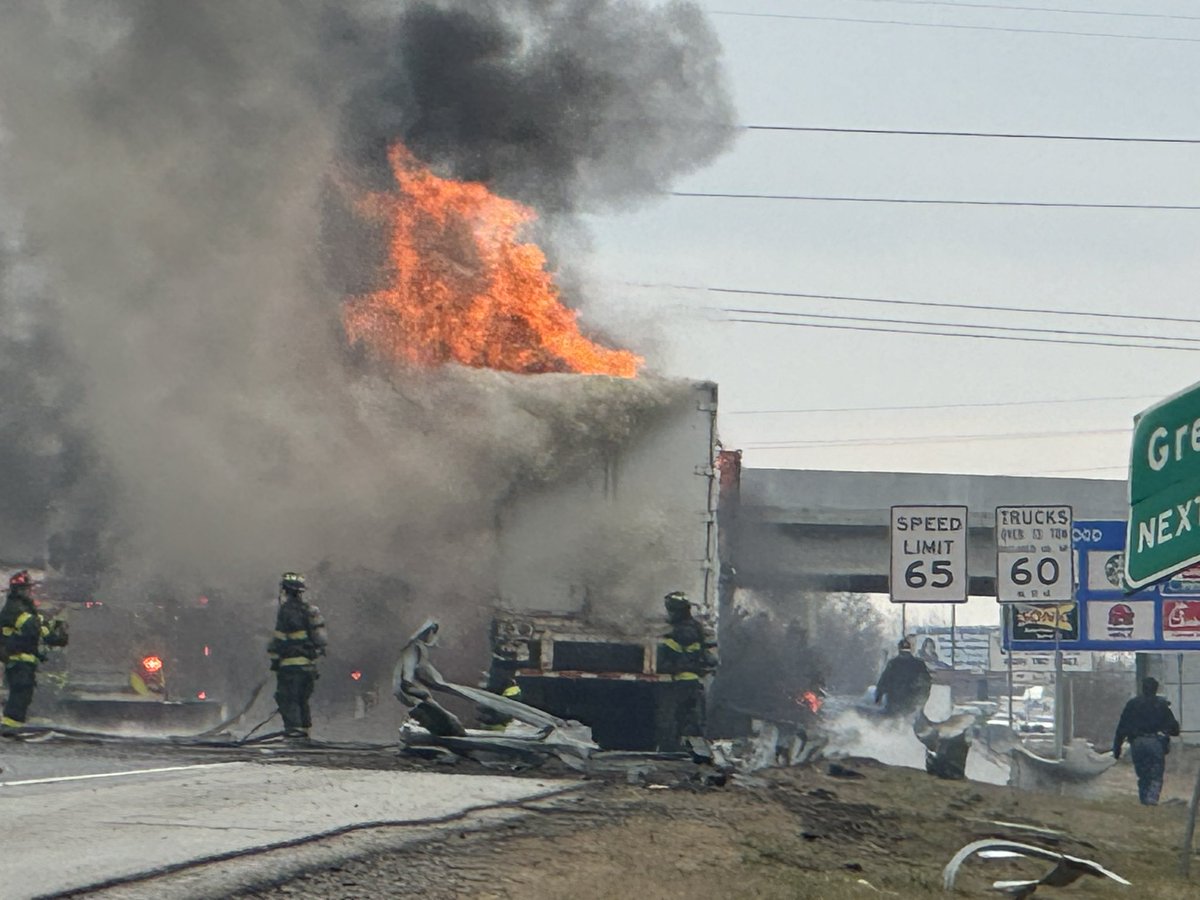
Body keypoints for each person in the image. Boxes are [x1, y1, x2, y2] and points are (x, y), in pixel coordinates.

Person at [1, 570, 68, 732]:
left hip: (23, 659)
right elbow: (32, 628)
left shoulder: (24, 608)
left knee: (23, 693)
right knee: (21, 692)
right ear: (18, 590)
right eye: (26, 589)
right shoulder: (14, 608)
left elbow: (42, 630)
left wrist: (55, 628)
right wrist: (49, 625)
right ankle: (9, 727)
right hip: (18, 658)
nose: (29, 592)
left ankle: (13, 724)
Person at [266, 572, 327, 740]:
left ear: (285, 590)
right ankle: (304, 732)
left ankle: (294, 733)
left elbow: (279, 639)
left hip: (291, 666)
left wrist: (274, 659)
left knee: (287, 697)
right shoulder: (309, 610)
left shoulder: (286, 611)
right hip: (309, 666)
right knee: (302, 699)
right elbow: (319, 641)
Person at [656, 590, 717, 751]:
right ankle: (693, 750)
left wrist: (665, 664)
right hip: (694, 681)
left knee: (676, 717)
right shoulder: (696, 627)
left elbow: (670, 656)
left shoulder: (680, 632)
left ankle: (675, 749)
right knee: (693, 718)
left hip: (683, 681)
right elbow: (708, 655)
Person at [392, 619, 467, 737]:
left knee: (445, 719)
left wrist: (443, 684)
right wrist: (416, 691)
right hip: (409, 690)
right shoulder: (413, 648)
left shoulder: (420, 648)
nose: (433, 636)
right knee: (447, 719)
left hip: (415, 690)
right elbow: (407, 673)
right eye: (432, 633)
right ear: (427, 633)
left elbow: (427, 671)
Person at [1113, 676, 1181, 805]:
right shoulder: (1162, 705)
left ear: (1142, 689)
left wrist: (1117, 749)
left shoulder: (1132, 704)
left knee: (1143, 775)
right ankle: (1151, 800)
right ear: (1156, 689)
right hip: (1155, 742)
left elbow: (1122, 728)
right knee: (1155, 775)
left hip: (1137, 743)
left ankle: (1144, 801)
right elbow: (1174, 730)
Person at [874, 638, 932, 716]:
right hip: (912, 704)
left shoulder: (893, 664)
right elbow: (926, 683)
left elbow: (884, 681)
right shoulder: (919, 664)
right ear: (910, 649)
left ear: (899, 649)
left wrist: (878, 697)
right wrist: (922, 700)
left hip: (894, 704)